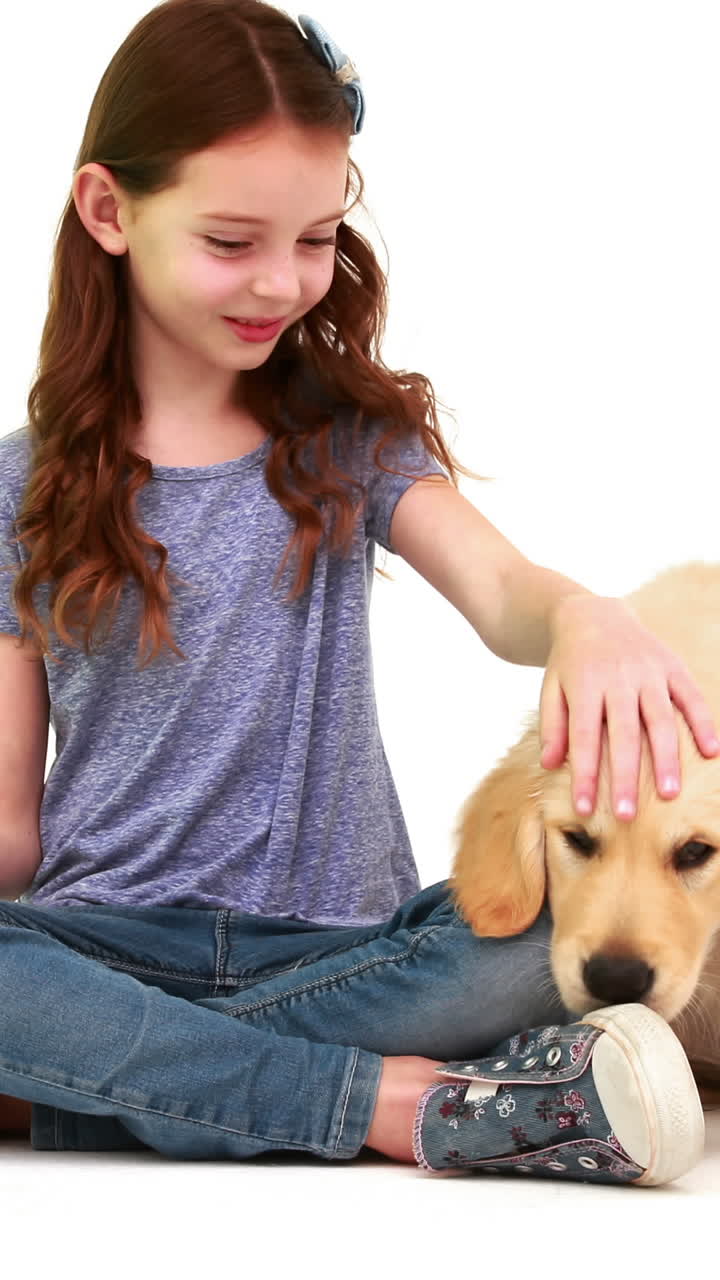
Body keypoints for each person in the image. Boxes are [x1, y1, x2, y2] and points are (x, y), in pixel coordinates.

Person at [0, 0, 716, 1184]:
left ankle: (114, 1085)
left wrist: (584, 614)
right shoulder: (17, 488)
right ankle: (407, 1101)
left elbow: (500, 594)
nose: (282, 282)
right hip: (109, 947)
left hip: (361, 949)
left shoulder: (345, 441)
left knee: (538, 945)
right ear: (107, 209)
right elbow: (13, 830)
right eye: (234, 241)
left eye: (317, 238)